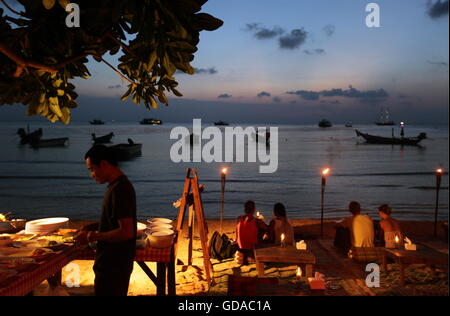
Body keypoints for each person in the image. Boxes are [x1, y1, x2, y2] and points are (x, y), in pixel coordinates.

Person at [75, 145, 137, 296]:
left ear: (104, 164)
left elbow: (126, 232)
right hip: (112, 263)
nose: (92, 174)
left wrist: (92, 236)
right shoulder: (116, 186)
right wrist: (92, 227)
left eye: (91, 169)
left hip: (114, 264)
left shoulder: (120, 189)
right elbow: (115, 220)